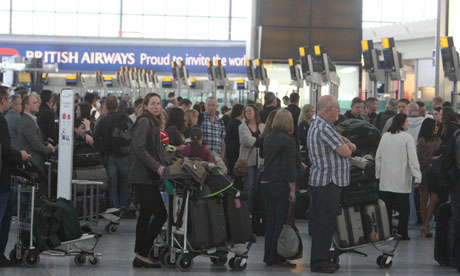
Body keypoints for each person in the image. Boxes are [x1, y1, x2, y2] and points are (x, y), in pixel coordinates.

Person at [307, 95, 356, 273]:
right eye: (336, 107)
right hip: (328, 182)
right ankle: (319, 262)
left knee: (324, 223)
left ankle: (322, 258)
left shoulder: (321, 125)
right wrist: (348, 145)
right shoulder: (324, 128)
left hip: (325, 182)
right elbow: (345, 152)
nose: (339, 111)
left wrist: (346, 143)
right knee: (324, 224)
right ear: (328, 109)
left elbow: (343, 145)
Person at [128, 93, 168, 268]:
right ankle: (143, 252)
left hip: (145, 175)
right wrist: (157, 167)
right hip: (143, 176)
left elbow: (157, 151)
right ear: (145, 106)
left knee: (145, 214)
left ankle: (140, 254)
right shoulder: (144, 121)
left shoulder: (153, 122)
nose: (156, 106)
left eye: (158, 103)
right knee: (161, 214)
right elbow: (139, 149)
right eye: (152, 103)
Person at [376, 113, 422, 240]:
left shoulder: (385, 136)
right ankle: (402, 232)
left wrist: (378, 174)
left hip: (386, 179)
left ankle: (387, 232)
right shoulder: (407, 138)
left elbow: (378, 157)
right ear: (402, 124)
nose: (408, 124)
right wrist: (417, 176)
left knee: (387, 208)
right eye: (406, 122)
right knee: (404, 207)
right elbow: (413, 159)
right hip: (401, 180)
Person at [0, 87, 31, 267]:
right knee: (3, 217)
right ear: (4, 100)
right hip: (2, 178)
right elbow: (5, 151)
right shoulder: (1, 121)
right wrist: (20, 156)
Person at [262, 110, 297, 268]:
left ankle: (268, 256)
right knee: (280, 221)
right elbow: (288, 166)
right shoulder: (288, 140)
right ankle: (276, 257)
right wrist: (292, 188)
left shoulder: (268, 137)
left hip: (265, 182)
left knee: (271, 221)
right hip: (280, 183)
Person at [93, 95, 132, 210]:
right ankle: (124, 206)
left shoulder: (103, 120)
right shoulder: (125, 118)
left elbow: (96, 137)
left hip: (109, 154)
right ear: (117, 106)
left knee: (112, 183)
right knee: (126, 182)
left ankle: (114, 208)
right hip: (125, 154)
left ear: (106, 106)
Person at [16, 95, 55, 194]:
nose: (38, 104)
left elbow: (37, 139)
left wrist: (46, 144)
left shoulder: (30, 120)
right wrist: (51, 150)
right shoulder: (28, 122)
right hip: (33, 163)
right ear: (26, 106)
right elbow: (36, 145)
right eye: (34, 103)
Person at [416, 118, 441, 237]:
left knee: (433, 199)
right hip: (425, 172)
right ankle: (425, 225)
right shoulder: (422, 141)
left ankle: (425, 224)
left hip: (433, 173)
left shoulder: (438, 140)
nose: (437, 128)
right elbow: (420, 158)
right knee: (424, 199)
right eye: (435, 126)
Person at [238, 105, 265, 213]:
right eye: (246, 111)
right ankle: (247, 212)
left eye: (250, 110)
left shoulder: (262, 126)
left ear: (255, 112)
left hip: (260, 161)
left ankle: (256, 211)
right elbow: (245, 141)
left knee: (256, 187)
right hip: (247, 161)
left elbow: (265, 140)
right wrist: (258, 141)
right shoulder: (242, 126)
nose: (248, 113)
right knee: (248, 187)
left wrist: (257, 141)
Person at [224, 104, 244, 179]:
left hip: (231, 152)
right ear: (241, 112)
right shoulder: (237, 124)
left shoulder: (232, 122)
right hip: (235, 152)